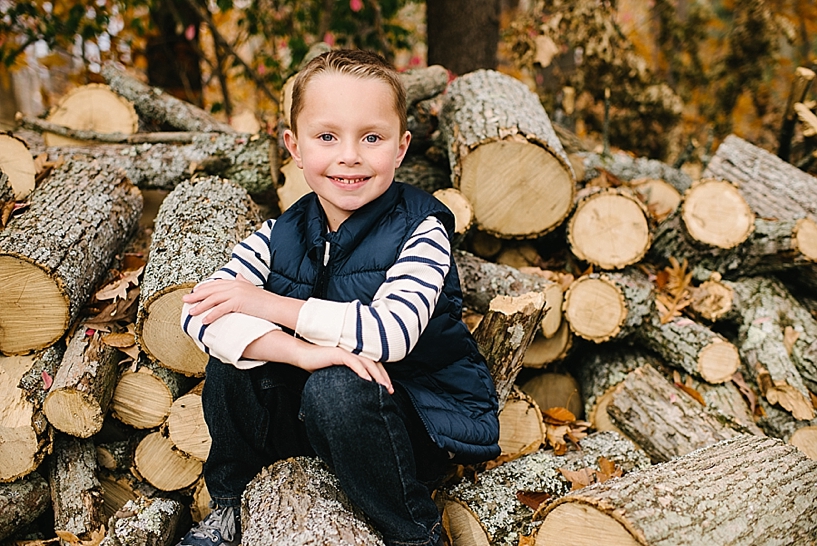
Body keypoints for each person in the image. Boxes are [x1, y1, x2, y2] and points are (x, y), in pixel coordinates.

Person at [176, 49, 500, 546]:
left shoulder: (422, 230)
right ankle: (230, 508)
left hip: (409, 418)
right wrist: (302, 353)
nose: (349, 155)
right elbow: (198, 314)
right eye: (327, 136)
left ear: (401, 147)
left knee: (337, 384)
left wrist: (266, 305)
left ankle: (414, 532)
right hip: (311, 411)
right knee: (233, 364)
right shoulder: (276, 234)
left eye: (371, 137)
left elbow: (391, 334)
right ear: (295, 146)